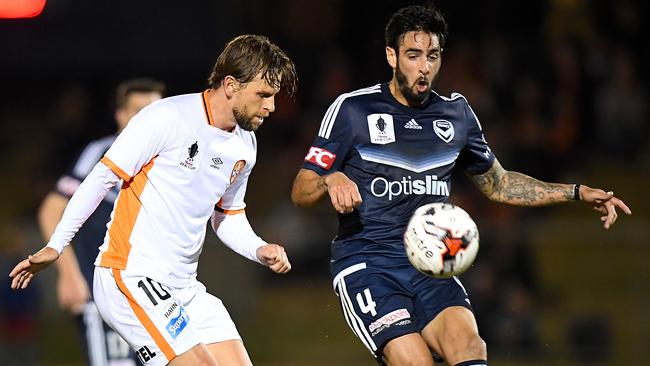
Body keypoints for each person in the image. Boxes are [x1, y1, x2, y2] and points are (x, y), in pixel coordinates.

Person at [290, 5, 631, 366]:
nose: (424, 67)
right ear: (391, 56)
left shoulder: (457, 114)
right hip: (368, 265)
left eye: (432, 56)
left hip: (429, 265)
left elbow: (499, 185)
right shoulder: (353, 110)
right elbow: (301, 190)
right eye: (413, 55)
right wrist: (331, 178)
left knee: (471, 348)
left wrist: (576, 192)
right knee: (416, 362)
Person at [11, 34, 297, 366]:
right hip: (131, 276)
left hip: (185, 287)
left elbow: (227, 215)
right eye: (263, 95)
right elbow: (101, 178)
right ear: (231, 85)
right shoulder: (167, 117)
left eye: (273, 97)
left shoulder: (245, 145)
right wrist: (57, 245)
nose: (271, 107)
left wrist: (258, 248)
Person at [38, 78, 165, 366]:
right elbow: (51, 209)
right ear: (121, 116)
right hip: (105, 295)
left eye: (155, 112)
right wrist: (69, 275)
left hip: (154, 297)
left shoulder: (170, 159)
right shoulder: (101, 153)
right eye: (139, 111)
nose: (149, 120)